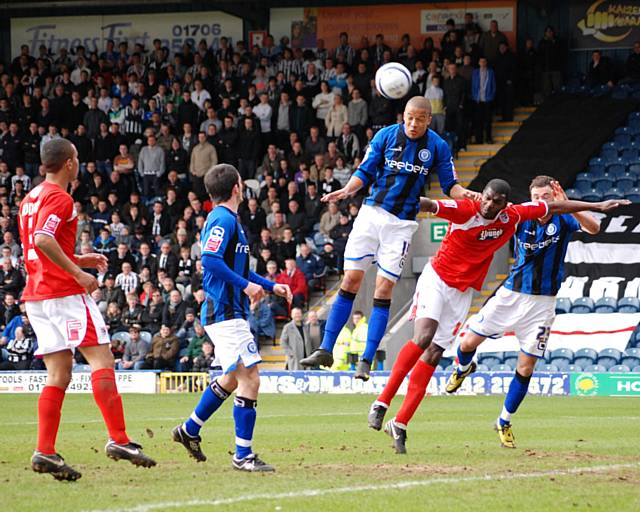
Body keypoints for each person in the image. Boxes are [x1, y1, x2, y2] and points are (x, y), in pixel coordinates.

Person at [367, 178, 628, 454]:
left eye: (496, 202)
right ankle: (383, 401)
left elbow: (580, 218)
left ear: (507, 204)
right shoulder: (474, 211)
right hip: (459, 283)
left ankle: (408, 423)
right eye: (487, 199)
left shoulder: (522, 216)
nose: (489, 205)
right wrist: (391, 200)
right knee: (434, 339)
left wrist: (596, 204)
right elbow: (430, 204)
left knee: (438, 354)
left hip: (487, 295)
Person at [300, 96, 479, 380]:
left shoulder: (438, 146)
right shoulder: (385, 135)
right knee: (350, 280)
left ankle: (366, 361)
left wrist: (465, 193)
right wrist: (347, 191)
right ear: (403, 115)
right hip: (371, 214)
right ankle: (325, 348)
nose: (413, 123)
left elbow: (450, 186)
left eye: (419, 118)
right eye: (409, 117)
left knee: (383, 290)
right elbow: (365, 170)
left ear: (428, 120)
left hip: (402, 225)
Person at [19, 138, 155, 481]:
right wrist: (79, 273)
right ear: (68, 163)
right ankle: (119, 440)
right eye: (77, 158)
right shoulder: (60, 198)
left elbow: (37, 248)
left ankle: (45, 451)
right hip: (64, 294)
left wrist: (79, 258)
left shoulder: (29, 199)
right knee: (102, 360)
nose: (78, 163)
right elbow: (43, 241)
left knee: (59, 373)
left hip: (37, 295)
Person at [445, 177, 602, 448]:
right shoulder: (520, 217)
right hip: (511, 294)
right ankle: (463, 367)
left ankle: (504, 421)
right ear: (530, 197)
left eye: (546, 195)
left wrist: (569, 206)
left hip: (543, 304)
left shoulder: (563, 219)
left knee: (526, 367)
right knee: (468, 342)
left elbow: (594, 228)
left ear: (554, 196)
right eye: (536, 195)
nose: (541, 200)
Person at [172, 164, 291, 472]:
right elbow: (209, 260)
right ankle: (243, 455)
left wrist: (268, 285)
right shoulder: (223, 219)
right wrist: (246, 286)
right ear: (238, 187)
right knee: (250, 377)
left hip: (229, 309)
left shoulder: (230, 220)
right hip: (224, 309)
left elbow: (236, 268)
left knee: (232, 377)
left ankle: (189, 430)